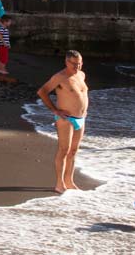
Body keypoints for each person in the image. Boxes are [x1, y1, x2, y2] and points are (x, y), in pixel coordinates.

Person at [36, 50, 89, 193]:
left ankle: (69, 181)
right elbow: (42, 91)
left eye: (79, 64)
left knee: (73, 151)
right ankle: (59, 183)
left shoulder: (81, 75)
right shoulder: (60, 77)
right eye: (74, 64)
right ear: (67, 62)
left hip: (81, 119)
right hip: (66, 119)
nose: (77, 67)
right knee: (64, 150)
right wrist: (55, 110)